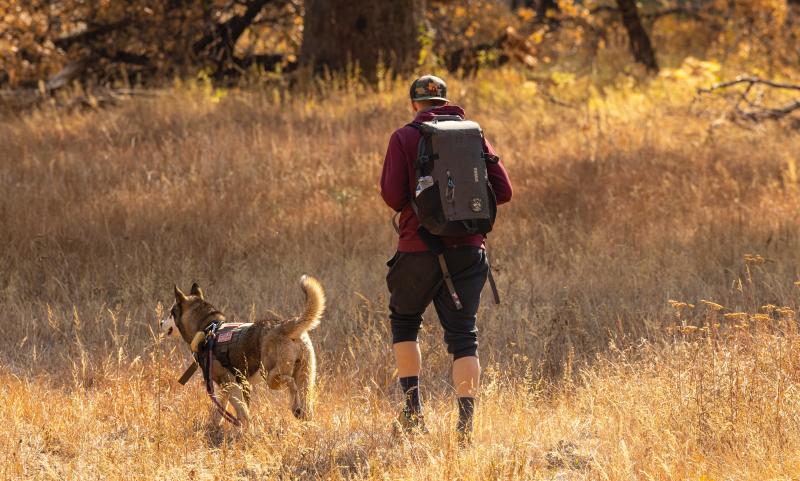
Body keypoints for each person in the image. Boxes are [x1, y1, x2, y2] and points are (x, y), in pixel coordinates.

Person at [380, 74, 513, 443]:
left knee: (405, 322)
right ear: (446, 101)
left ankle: (412, 413)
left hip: (417, 249)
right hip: (469, 250)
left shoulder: (404, 137)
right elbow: (503, 191)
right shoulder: (473, 134)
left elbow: (393, 196)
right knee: (464, 337)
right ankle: (465, 428)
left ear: (414, 105)